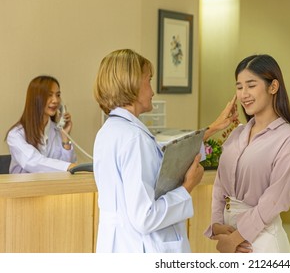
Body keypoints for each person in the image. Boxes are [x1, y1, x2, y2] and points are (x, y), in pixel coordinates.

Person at [92, 48, 237, 253]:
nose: (152, 91)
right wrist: (187, 187)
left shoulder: (110, 131)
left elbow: (165, 153)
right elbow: (145, 217)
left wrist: (212, 128)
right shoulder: (134, 138)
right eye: (148, 80)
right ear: (132, 83)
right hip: (141, 247)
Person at [204, 54, 290, 253]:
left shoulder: (288, 138)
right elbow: (220, 186)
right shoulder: (237, 134)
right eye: (239, 87)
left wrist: (235, 238)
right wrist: (216, 224)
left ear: (273, 87)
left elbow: (275, 200)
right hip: (229, 236)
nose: (243, 94)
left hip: (261, 240)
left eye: (251, 85)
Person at [5, 75, 77, 173]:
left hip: (54, 186)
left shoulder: (57, 130)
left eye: (58, 95)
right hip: (24, 187)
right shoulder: (15, 135)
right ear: (35, 99)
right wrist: (68, 167)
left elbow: (69, 168)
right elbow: (33, 161)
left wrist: (65, 136)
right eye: (49, 95)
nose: (55, 100)